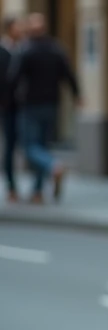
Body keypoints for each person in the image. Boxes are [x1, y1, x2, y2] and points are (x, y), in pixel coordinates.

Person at [8, 12, 81, 204]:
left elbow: (13, 78)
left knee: (30, 147)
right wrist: (77, 95)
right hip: (51, 104)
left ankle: (53, 166)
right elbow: (69, 74)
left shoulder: (26, 50)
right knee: (43, 145)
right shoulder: (56, 49)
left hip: (30, 105)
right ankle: (38, 191)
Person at [1, 15, 25, 203]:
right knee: (9, 146)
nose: (21, 30)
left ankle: (37, 188)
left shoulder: (25, 49)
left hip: (26, 107)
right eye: (18, 27)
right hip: (7, 107)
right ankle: (11, 186)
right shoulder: (2, 51)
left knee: (28, 144)